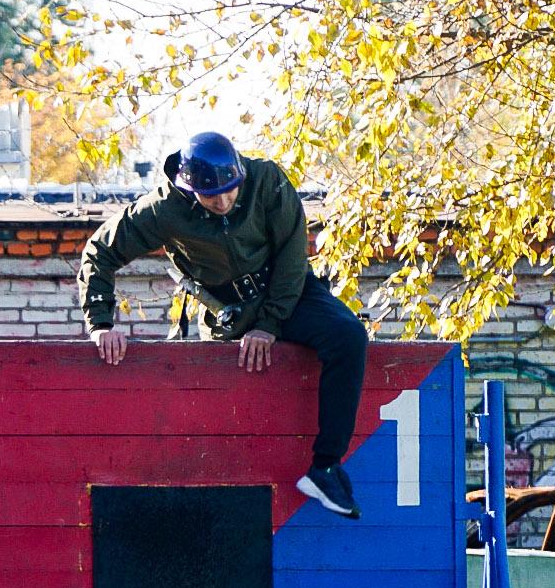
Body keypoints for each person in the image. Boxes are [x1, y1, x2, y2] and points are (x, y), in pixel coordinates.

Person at [77, 132, 369, 519]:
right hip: (228, 311)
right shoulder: (164, 208)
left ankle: (326, 468)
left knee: (348, 336)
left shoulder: (266, 180)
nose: (224, 201)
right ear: (188, 188)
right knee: (219, 388)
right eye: (211, 196)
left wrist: (269, 323)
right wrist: (100, 322)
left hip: (287, 291)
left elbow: (292, 251)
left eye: (231, 191)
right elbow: (99, 252)